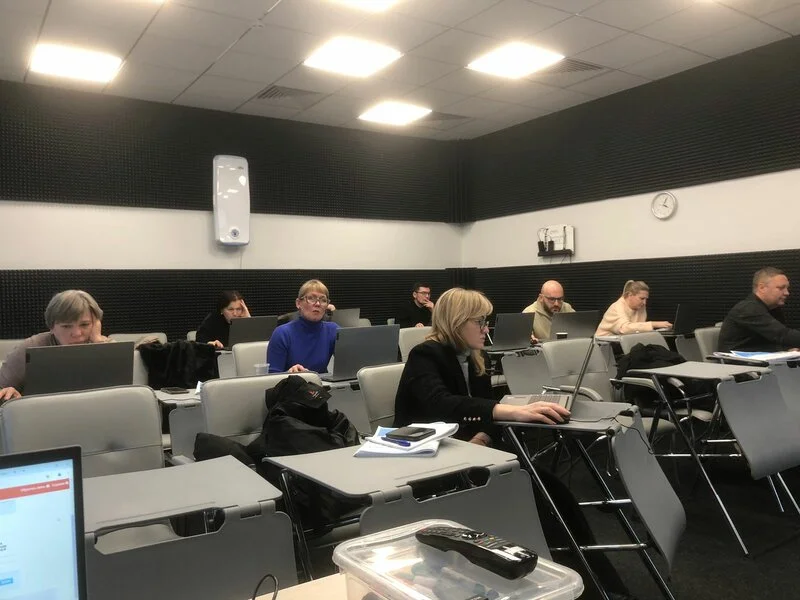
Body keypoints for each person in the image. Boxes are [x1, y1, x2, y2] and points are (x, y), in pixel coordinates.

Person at [394, 287, 634, 600]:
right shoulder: (425, 355)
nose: (486, 329)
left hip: (471, 456)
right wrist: (510, 411)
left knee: (555, 494)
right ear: (456, 322)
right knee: (540, 501)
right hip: (432, 463)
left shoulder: (474, 357)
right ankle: (587, 586)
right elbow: (442, 404)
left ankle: (601, 584)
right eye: (479, 322)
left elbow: (483, 412)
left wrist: (483, 436)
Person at [0, 290, 109, 401]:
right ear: (51, 327)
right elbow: (1, 387)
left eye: (85, 324)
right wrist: (8, 394)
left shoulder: (107, 346)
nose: (77, 333)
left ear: (96, 324)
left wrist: (100, 344)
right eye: (66, 326)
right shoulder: (32, 347)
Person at [718, 267, 800, 352]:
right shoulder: (748, 309)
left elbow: (777, 338)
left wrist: (787, 349)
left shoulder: (773, 308)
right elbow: (782, 335)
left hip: (760, 355)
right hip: (737, 359)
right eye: (781, 288)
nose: (787, 293)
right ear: (762, 287)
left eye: (787, 288)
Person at [268, 280, 338, 374]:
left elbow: (350, 361)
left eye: (323, 300)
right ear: (298, 303)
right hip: (291, 382)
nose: (318, 304)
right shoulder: (282, 333)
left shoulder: (333, 330)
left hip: (321, 382)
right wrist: (289, 373)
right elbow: (272, 376)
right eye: (311, 298)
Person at [595, 280, 671, 337]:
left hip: (625, 341)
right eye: (642, 298)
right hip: (605, 345)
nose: (644, 302)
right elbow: (624, 329)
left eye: (646, 299)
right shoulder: (617, 307)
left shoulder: (640, 306)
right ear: (630, 295)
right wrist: (654, 324)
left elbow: (638, 329)